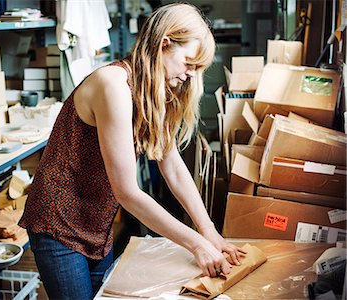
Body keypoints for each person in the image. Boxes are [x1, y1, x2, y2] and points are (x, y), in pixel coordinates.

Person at [19, 3, 246, 299]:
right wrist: (195, 243)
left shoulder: (155, 89)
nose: (191, 74)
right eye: (188, 62)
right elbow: (126, 192)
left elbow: (172, 165)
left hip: (96, 222)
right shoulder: (112, 85)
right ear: (164, 44)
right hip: (58, 223)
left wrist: (209, 231)